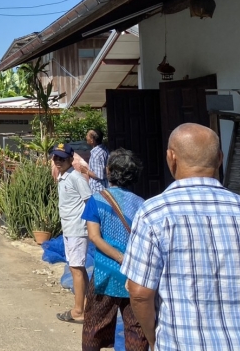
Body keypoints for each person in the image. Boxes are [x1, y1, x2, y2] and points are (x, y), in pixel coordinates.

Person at [121, 123, 240, 351]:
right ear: (220, 158)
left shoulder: (153, 214)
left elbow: (140, 294)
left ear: (171, 158)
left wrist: (153, 340)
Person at [82, 148, 148, 351]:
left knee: (93, 329)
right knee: (137, 331)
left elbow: (94, 237)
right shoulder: (143, 205)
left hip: (105, 275)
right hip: (134, 276)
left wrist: (120, 258)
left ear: (108, 171)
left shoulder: (96, 200)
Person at [52, 142, 92, 324]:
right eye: (56, 158)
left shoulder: (76, 178)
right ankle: (87, 305)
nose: (58, 161)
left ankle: (78, 311)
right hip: (69, 229)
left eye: (62, 158)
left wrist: (91, 227)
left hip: (77, 230)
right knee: (78, 268)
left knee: (75, 269)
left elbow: (89, 202)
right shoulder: (62, 178)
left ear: (70, 159)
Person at [81, 128, 109, 193]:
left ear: (92, 140)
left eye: (87, 135)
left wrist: (86, 171)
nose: (86, 137)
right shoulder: (104, 149)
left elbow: (99, 175)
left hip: (98, 190)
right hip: (105, 187)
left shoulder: (96, 154)